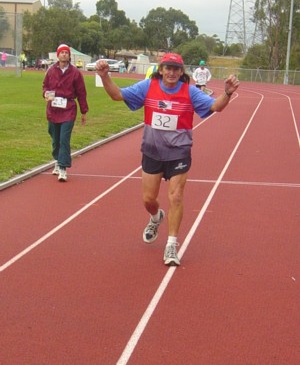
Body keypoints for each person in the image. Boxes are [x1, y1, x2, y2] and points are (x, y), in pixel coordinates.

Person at [95, 52, 239, 266]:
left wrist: (227, 92)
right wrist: (105, 76)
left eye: (176, 69)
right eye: (168, 68)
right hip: (152, 151)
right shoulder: (147, 88)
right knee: (148, 200)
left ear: (181, 72)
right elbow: (117, 95)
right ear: (161, 70)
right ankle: (156, 218)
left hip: (179, 152)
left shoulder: (190, 92)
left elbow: (214, 107)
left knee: (176, 197)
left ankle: (172, 244)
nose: (171, 72)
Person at [42, 44, 89, 182]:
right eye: (61, 52)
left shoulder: (75, 73)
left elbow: (81, 92)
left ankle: (63, 167)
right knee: (55, 138)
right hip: (53, 109)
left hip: (68, 108)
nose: (63, 55)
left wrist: (83, 111)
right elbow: (45, 86)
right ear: (58, 55)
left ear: (69, 56)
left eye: (66, 53)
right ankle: (57, 160)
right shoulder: (51, 71)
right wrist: (45, 93)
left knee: (64, 138)